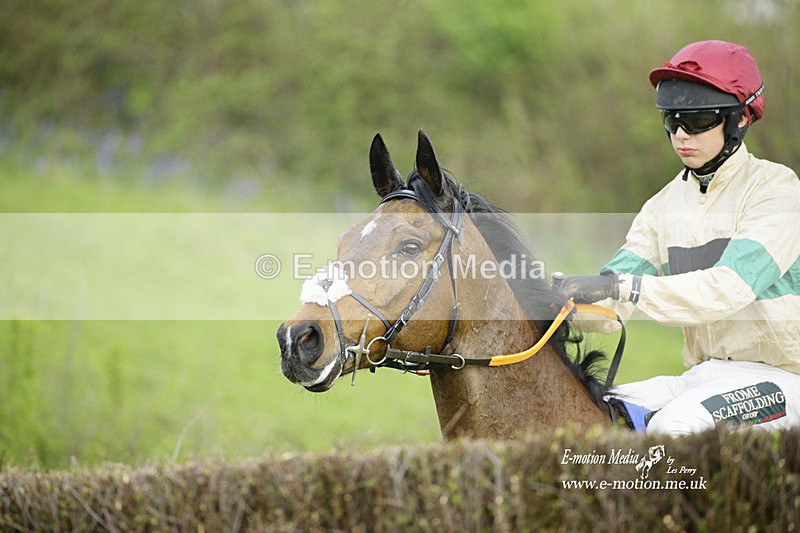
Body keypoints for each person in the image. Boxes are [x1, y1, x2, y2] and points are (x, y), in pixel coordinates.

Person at [561, 40, 800, 435]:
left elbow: (725, 290)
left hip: (783, 380)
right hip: (705, 375)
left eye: (699, 119)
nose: (682, 135)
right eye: (673, 120)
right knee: (587, 415)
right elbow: (609, 306)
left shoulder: (776, 190)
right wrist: (550, 302)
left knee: (676, 427)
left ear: (740, 118)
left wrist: (625, 288)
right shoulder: (662, 204)